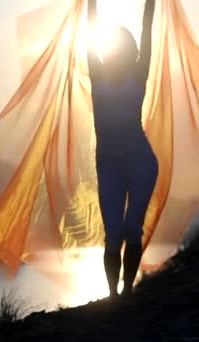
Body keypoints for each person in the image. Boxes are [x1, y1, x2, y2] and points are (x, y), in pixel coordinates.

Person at [87, 0, 157, 299]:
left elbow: (147, 30)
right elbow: (89, 29)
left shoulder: (138, 74)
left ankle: (127, 291)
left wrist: (150, 4)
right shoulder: (97, 75)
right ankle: (113, 295)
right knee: (113, 233)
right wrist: (91, 5)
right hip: (109, 164)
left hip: (141, 162)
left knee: (132, 229)